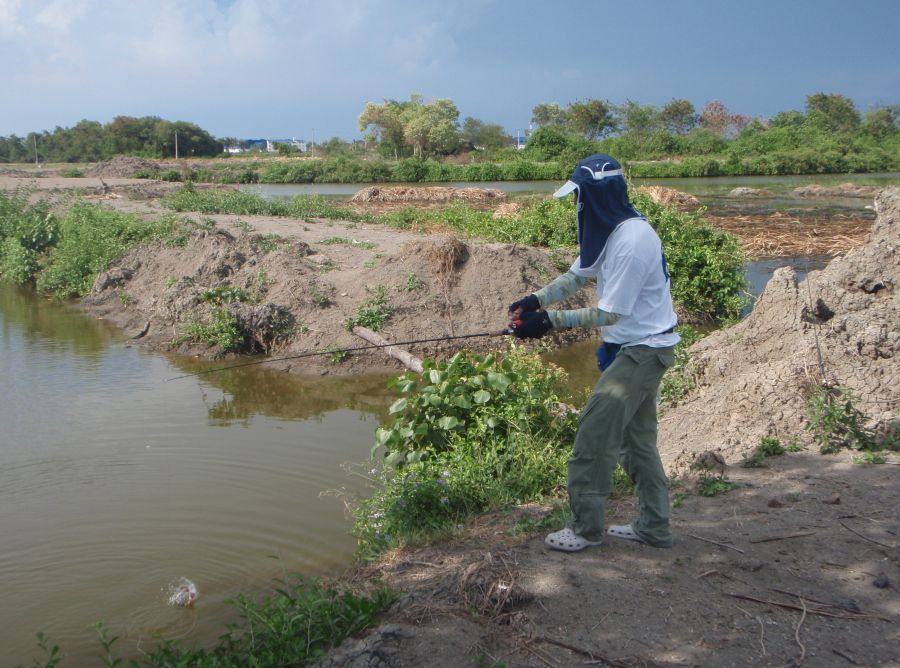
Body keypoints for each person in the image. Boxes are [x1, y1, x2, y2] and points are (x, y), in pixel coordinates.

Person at [507, 154, 679, 552]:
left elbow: (610, 312)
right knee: (638, 444)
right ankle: (655, 527)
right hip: (632, 346)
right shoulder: (610, 229)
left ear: (596, 195)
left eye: (579, 196)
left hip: (644, 350)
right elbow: (576, 276)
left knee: (594, 435)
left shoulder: (633, 240)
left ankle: (586, 529)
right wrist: (534, 300)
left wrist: (548, 322)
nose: (577, 205)